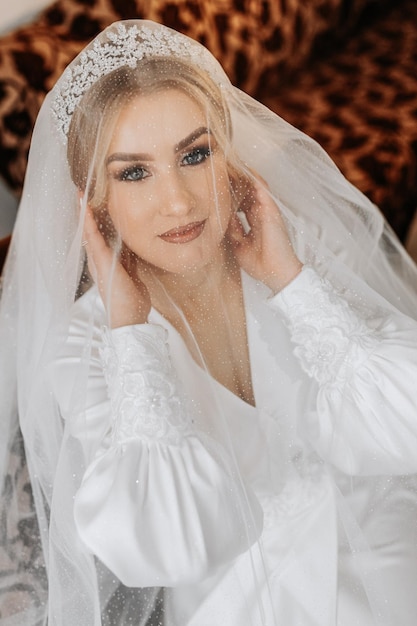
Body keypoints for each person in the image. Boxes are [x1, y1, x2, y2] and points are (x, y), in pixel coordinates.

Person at [1, 19, 417, 626]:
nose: (180, 202)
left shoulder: (293, 249)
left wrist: (289, 281)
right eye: (134, 172)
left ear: (228, 155)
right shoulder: (87, 344)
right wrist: (131, 332)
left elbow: (402, 425)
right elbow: (167, 546)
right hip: (248, 600)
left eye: (194, 155)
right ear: (95, 203)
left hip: (383, 541)